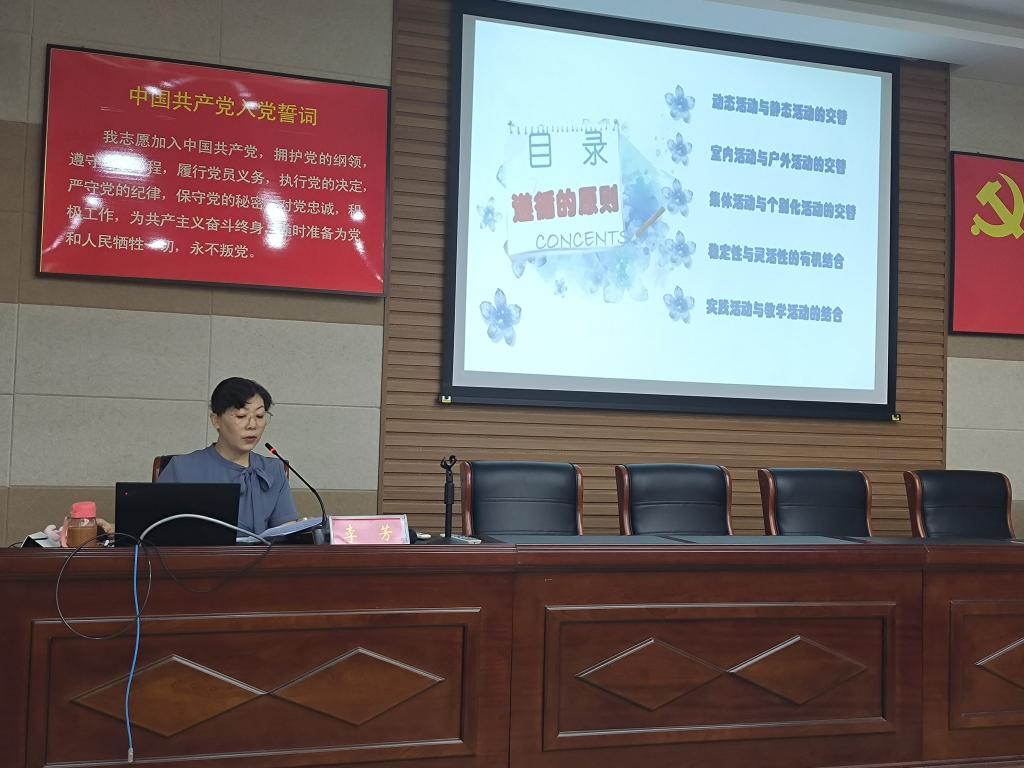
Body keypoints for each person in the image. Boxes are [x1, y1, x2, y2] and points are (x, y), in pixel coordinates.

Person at [158, 377, 298, 536]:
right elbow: (157, 536)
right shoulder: (181, 469)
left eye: (260, 416)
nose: (252, 425)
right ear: (216, 420)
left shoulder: (274, 470)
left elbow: (286, 535)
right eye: (241, 416)